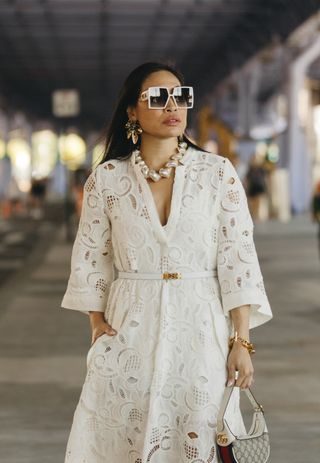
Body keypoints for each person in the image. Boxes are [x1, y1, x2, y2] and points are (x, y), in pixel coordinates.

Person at [61, 62, 273, 463]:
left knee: (196, 429)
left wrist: (241, 340)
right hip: (128, 330)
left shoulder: (217, 174)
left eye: (181, 96)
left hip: (201, 328)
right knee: (123, 436)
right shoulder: (106, 180)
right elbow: (91, 255)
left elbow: (238, 257)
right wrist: (96, 322)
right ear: (132, 111)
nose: (173, 105)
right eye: (158, 98)